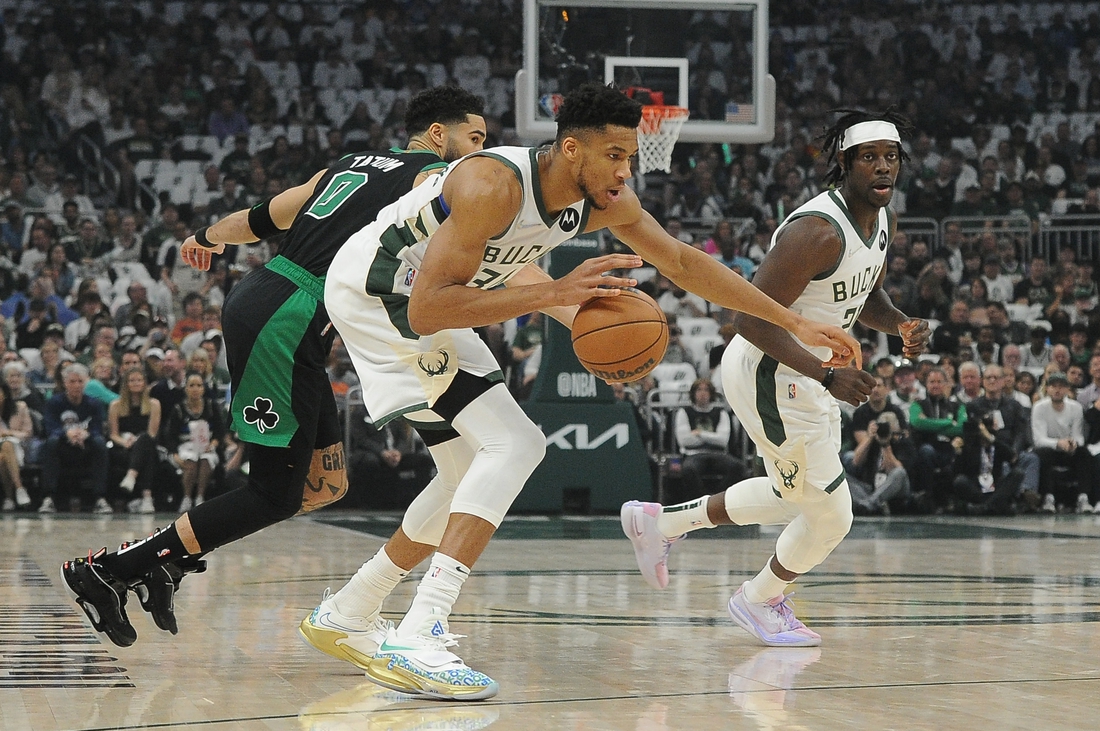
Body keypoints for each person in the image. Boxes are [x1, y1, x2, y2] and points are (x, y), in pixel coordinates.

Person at [303, 83, 860, 699]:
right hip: (380, 295)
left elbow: (684, 262)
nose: (627, 170)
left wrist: (794, 321)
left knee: (465, 469)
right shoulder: (493, 184)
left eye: (631, 156)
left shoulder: (603, 200)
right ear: (572, 150)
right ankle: (421, 630)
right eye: (616, 155)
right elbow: (432, 308)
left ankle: (353, 608)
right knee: (515, 446)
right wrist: (555, 295)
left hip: (422, 301)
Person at [60, 86, 489, 650]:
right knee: (273, 493)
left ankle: (166, 562)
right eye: (475, 139)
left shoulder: (347, 165)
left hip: (279, 305)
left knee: (325, 481)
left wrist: (206, 237)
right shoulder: (431, 179)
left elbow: (265, 217)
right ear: (439, 135)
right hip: (287, 316)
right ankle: (115, 569)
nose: (480, 152)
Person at [622, 109, 927, 649]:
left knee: (798, 497)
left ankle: (661, 525)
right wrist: (827, 376)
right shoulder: (815, 231)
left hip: (807, 372)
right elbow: (750, 318)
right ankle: (758, 598)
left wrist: (899, 323)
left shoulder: (883, 218)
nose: (883, 168)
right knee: (831, 514)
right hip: (773, 370)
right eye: (869, 158)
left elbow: (861, 295)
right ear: (844, 162)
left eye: (891, 157)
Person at [38, 363, 110, 514]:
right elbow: (50, 427)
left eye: (80, 381)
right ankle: (49, 497)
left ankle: (100, 498)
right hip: (63, 445)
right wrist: (67, 433)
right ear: (64, 383)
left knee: (100, 443)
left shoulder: (93, 403)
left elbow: (98, 428)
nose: (76, 385)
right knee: (51, 443)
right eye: (72, 381)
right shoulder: (54, 402)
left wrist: (86, 434)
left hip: (86, 444)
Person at [672, 378, 747, 503]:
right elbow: (684, 440)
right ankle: (700, 502)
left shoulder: (721, 413)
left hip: (718, 454)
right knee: (688, 470)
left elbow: (723, 440)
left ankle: (718, 499)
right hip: (693, 454)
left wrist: (699, 434)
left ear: (711, 393)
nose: (702, 393)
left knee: (738, 467)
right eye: (699, 390)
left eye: (706, 390)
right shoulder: (684, 412)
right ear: (693, 393)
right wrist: (712, 436)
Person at [160, 371, 226, 512]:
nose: (195, 389)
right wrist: (174, 453)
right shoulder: (178, 409)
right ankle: (187, 497)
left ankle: (200, 497)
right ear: (186, 388)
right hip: (186, 446)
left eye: (199, 385)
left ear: (203, 388)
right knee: (190, 461)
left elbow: (220, 431)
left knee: (205, 460)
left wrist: (213, 444)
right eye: (191, 385)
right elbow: (170, 435)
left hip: (207, 445)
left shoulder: (211, 406)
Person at [1031, 371, 1092, 513]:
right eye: (1053, 386)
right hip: (1050, 449)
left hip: (1068, 451)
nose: (1057, 390)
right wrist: (1059, 443)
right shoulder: (1039, 407)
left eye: (1061, 386)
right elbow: (1039, 439)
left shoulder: (1076, 407)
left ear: (1067, 389)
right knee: (1042, 453)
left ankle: (1083, 498)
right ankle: (1048, 498)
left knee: (1084, 453)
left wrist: (1073, 443)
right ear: (1047, 389)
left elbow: (1079, 436)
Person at [108, 367, 162, 515]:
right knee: (146, 452)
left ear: (145, 383)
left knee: (146, 442)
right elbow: (113, 434)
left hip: (144, 444)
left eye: (139, 380)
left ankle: (131, 477)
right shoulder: (116, 405)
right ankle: (147, 497)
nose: (136, 383)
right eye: (132, 380)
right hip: (123, 446)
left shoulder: (154, 404)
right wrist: (125, 441)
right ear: (126, 384)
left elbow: (152, 433)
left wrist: (137, 441)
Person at [0, 381, 33, 511]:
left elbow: (28, 433)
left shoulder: (20, 407)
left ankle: (10, 497)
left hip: (17, 447)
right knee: (2, 458)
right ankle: (19, 490)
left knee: (7, 445)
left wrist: (8, 433)